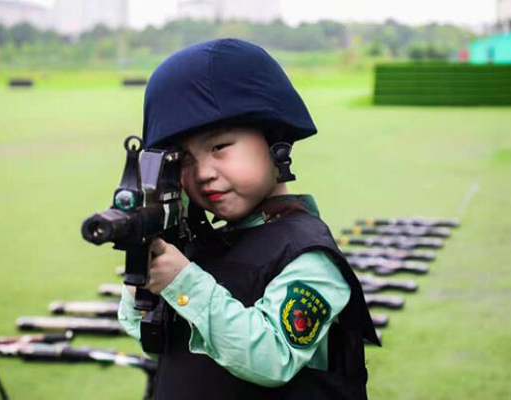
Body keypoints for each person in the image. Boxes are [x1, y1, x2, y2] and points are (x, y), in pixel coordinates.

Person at [118, 38, 380, 400]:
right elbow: (157, 343)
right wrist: (141, 280)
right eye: (186, 160)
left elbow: (272, 358)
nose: (203, 172)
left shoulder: (308, 256)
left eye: (219, 147)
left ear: (275, 143)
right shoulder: (202, 246)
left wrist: (183, 282)